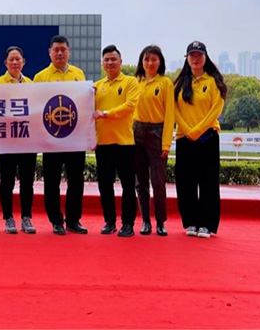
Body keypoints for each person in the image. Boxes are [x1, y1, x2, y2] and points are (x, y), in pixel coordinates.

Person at [33, 35, 88, 235]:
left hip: (75, 138)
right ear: (49, 52)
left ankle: (73, 220)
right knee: (52, 182)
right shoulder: (41, 77)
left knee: (76, 181)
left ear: (69, 51)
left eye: (63, 49)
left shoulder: (78, 74)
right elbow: (35, 107)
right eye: (55, 50)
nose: (59, 53)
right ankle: (56, 220)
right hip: (51, 139)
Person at [173, 41, 226, 239]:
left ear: (205, 57)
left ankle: (206, 223)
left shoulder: (213, 82)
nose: (195, 59)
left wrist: (197, 130)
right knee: (185, 181)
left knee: (208, 181)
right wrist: (188, 130)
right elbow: (174, 110)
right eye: (192, 55)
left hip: (207, 136)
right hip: (184, 137)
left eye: (199, 55)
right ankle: (191, 221)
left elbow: (215, 110)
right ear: (187, 58)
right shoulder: (179, 83)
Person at [93, 45, 140, 237]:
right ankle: (109, 221)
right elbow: (88, 113)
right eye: (106, 60)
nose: (110, 63)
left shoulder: (130, 82)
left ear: (121, 62)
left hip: (124, 143)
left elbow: (130, 106)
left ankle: (128, 223)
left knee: (128, 186)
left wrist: (106, 113)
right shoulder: (97, 87)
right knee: (105, 186)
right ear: (102, 63)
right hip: (102, 143)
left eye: (113, 59)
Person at [132, 45, 174, 236]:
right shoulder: (135, 82)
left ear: (160, 62)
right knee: (140, 182)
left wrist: (166, 143)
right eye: (146, 59)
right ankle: (145, 221)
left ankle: (160, 222)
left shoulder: (165, 83)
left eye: (154, 59)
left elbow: (170, 115)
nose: (150, 63)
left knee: (158, 181)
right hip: (137, 133)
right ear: (141, 62)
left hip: (157, 134)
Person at [0, 46, 37, 234]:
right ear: (5, 63)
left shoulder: (31, 84)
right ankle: (8, 218)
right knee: (7, 181)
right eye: (11, 60)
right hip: (7, 141)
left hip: (27, 140)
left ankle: (26, 217)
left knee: (27, 181)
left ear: (23, 62)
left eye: (17, 59)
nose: (14, 63)